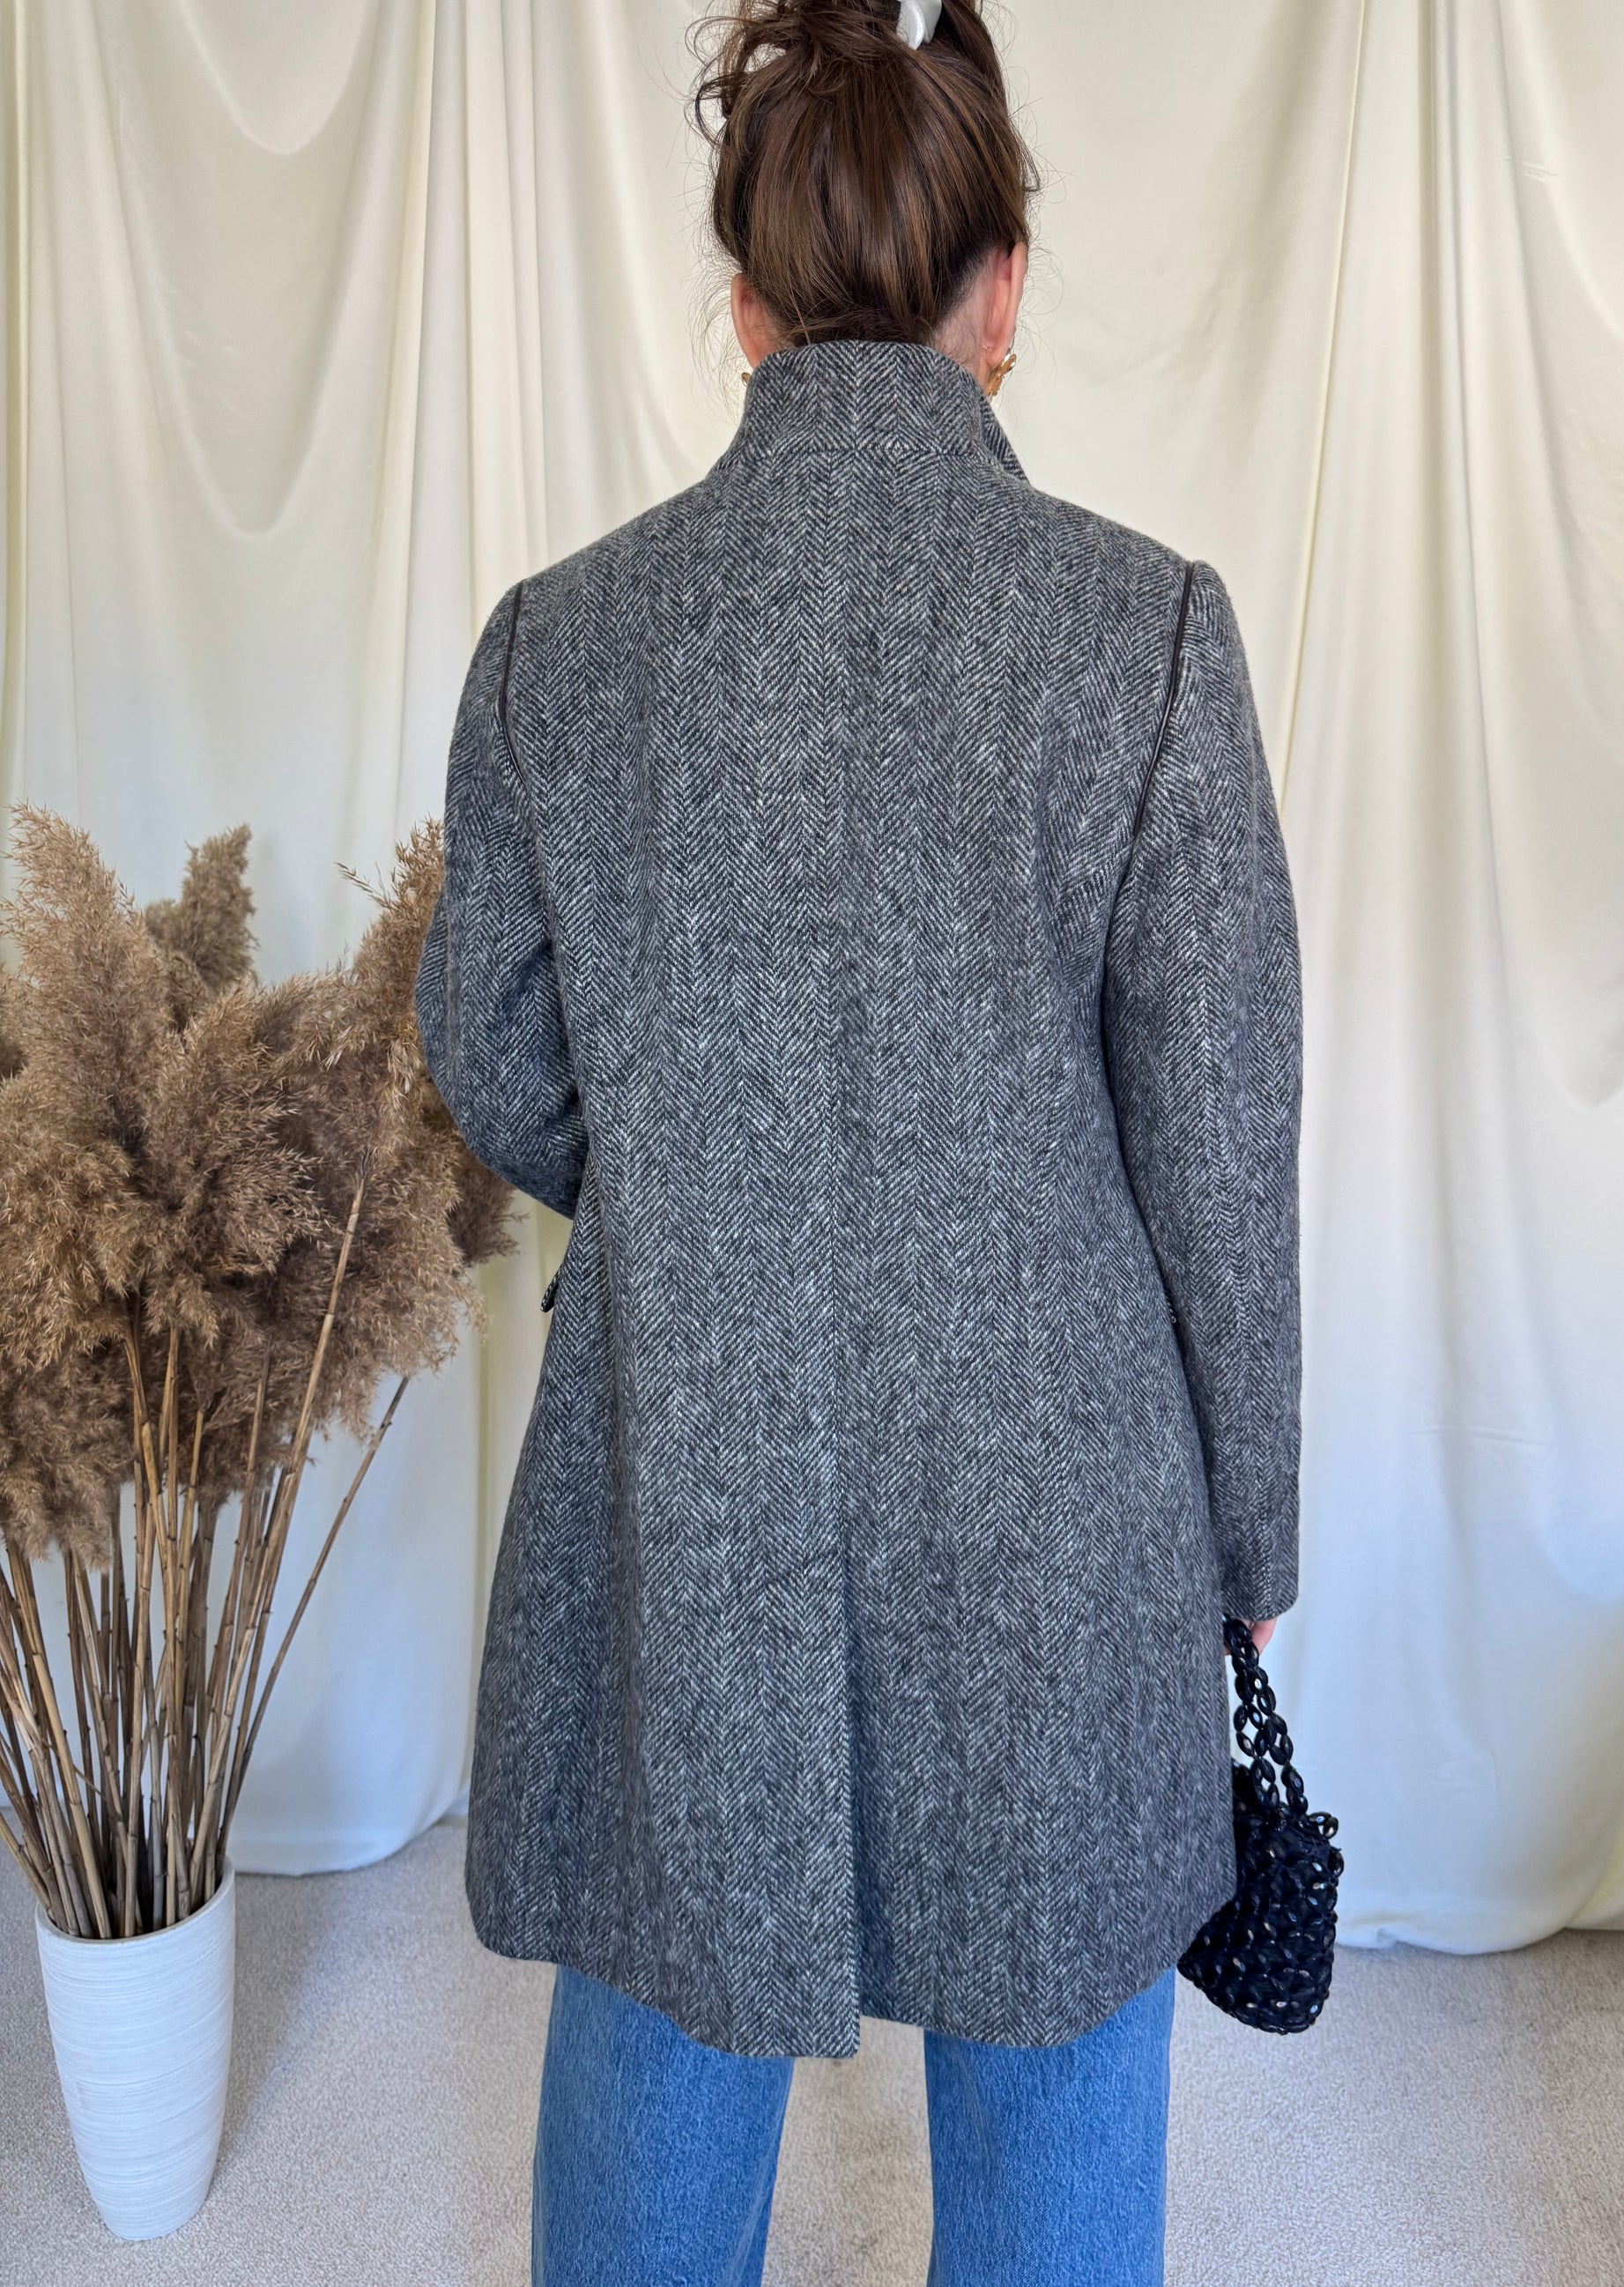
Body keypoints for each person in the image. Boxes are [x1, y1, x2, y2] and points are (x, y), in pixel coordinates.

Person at [413, 0, 1301, 2279]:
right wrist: (1245, 1521)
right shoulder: (1145, 634)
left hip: (689, 1450)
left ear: (742, 303)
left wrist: (707, 1182)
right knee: (1053, 2033)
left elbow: (492, 1053)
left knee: (667, 1989)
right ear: (1003, 292)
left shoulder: (556, 646)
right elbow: (1217, 1144)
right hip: (1058, 1484)